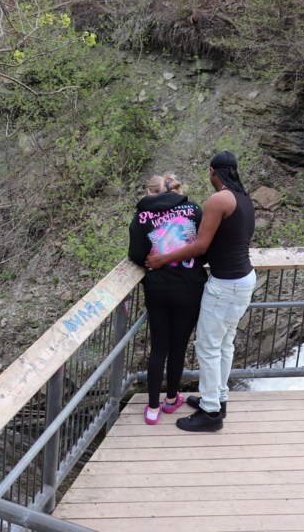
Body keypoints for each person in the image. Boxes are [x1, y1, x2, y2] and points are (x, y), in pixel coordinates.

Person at [146, 151, 256, 432]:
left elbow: (200, 245)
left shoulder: (219, 199)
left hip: (225, 284)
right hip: (244, 279)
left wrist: (161, 259)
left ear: (212, 172)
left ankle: (210, 413)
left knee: (207, 346)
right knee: (225, 343)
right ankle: (218, 399)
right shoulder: (243, 197)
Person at [128, 173, 207, 425]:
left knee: (159, 347)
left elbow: (137, 254)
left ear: (151, 192)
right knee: (179, 346)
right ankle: (172, 400)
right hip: (190, 286)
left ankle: (152, 409)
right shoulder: (194, 209)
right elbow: (204, 249)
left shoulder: (141, 216)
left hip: (158, 288)